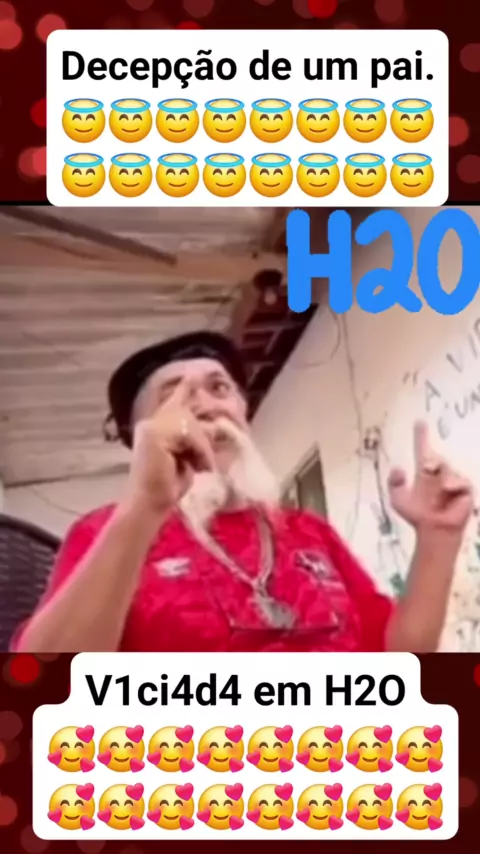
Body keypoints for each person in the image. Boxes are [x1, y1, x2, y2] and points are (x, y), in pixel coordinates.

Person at [14, 331, 473, 654]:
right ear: (140, 438)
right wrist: (144, 507)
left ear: (243, 411)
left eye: (219, 388)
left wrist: (438, 538)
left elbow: (400, 660)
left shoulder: (307, 531)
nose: (204, 405)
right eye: (174, 396)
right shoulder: (106, 531)